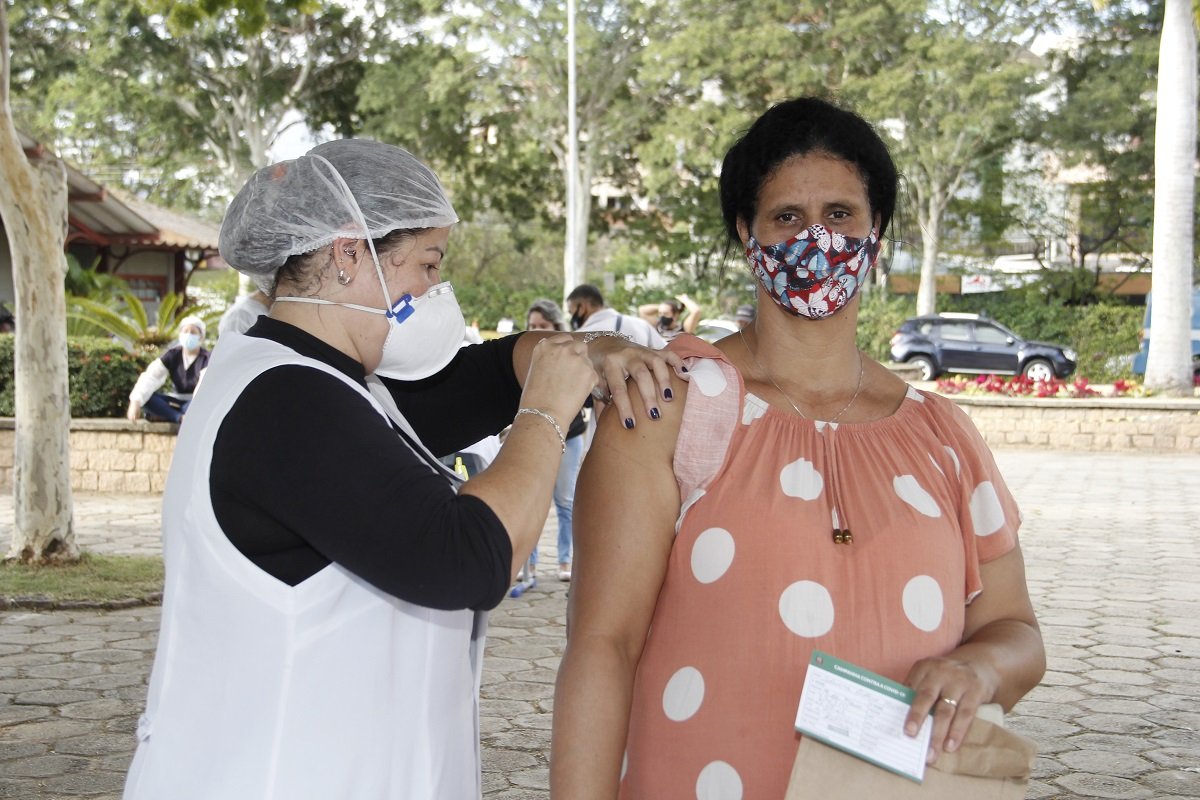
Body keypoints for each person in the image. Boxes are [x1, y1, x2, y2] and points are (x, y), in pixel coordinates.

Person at [121, 139, 682, 800]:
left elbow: (485, 375)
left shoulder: (337, 381)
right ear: (349, 251)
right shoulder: (286, 402)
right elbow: (469, 557)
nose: (432, 290)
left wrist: (590, 348)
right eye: (426, 263)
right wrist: (544, 416)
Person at [551, 97, 1045, 798]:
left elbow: (1015, 629)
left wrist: (981, 669)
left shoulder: (942, 435)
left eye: (841, 214)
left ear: (876, 235)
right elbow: (603, 648)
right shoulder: (667, 406)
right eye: (788, 217)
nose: (818, 238)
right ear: (745, 233)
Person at [527, 298, 587, 581]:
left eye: (543, 325)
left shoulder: (574, 355)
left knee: (565, 501)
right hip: (533, 438)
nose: (537, 330)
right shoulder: (522, 356)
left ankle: (565, 561)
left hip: (569, 436)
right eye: (532, 326)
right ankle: (528, 564)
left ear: (555, 325)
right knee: (532, 501)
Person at [125, 316, 210, 424]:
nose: (189, 335)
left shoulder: (207, 358)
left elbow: (203, 387)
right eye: (186, 331)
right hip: (175, 400)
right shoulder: (172, 355)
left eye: (193, 332)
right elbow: (151, 376)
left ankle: (174, 416)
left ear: (201, 337)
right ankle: (179, 417)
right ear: (180, 335)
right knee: (147, 399)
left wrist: (194, 407)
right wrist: (135, 402)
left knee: (200, 407)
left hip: (194, 402)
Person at [566, 283, 666, 349]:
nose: (572, 317)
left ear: (582, 307)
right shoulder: (640, 324)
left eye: (571, 312)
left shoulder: (579, 338)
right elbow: (665, 351)